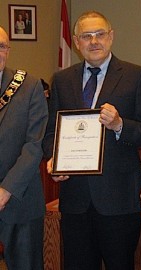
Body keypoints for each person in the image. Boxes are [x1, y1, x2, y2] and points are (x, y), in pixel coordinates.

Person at [42, 10, 141, 270]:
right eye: (86, 36)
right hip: (75, 200)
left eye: (100, 34)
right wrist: (54, 158)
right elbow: (52, 132)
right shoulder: (62, 80)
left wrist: (120, 125)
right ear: (76, 41)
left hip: (118, 199)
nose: (94, 41)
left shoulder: (136, 75)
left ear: (111, 36)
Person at [0, 27, 48, 270]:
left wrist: (6, 189)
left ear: (8, 50)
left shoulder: (28, 86)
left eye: (2, 46)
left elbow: (34, 144)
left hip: (21, 200)